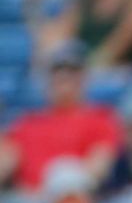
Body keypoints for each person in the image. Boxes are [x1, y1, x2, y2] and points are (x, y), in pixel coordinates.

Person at [0, 41, 123, 194]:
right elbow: (6, 159)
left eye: (71, 74)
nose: (64, 81)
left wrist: (61, 192)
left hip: (74, 199)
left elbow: (98, 167)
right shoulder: (27, 122)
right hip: (27, 201)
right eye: (58, 73)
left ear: (83, 80)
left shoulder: (101, 119)